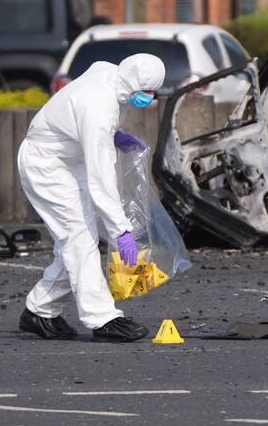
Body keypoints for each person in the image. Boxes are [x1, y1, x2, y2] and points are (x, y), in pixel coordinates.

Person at [17, 53, 165, 343]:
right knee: (80, 240)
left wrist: (116, 134)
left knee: (76, 241)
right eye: (145, 92)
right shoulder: (98, 107)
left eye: (152, 92)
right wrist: (122, 232)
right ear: (131, 83)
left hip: (67, 161)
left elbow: (83, 114)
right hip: (46, 166)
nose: (149, 98)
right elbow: (102, 182)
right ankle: (103, 319)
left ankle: (40, 310)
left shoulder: (112, 74)